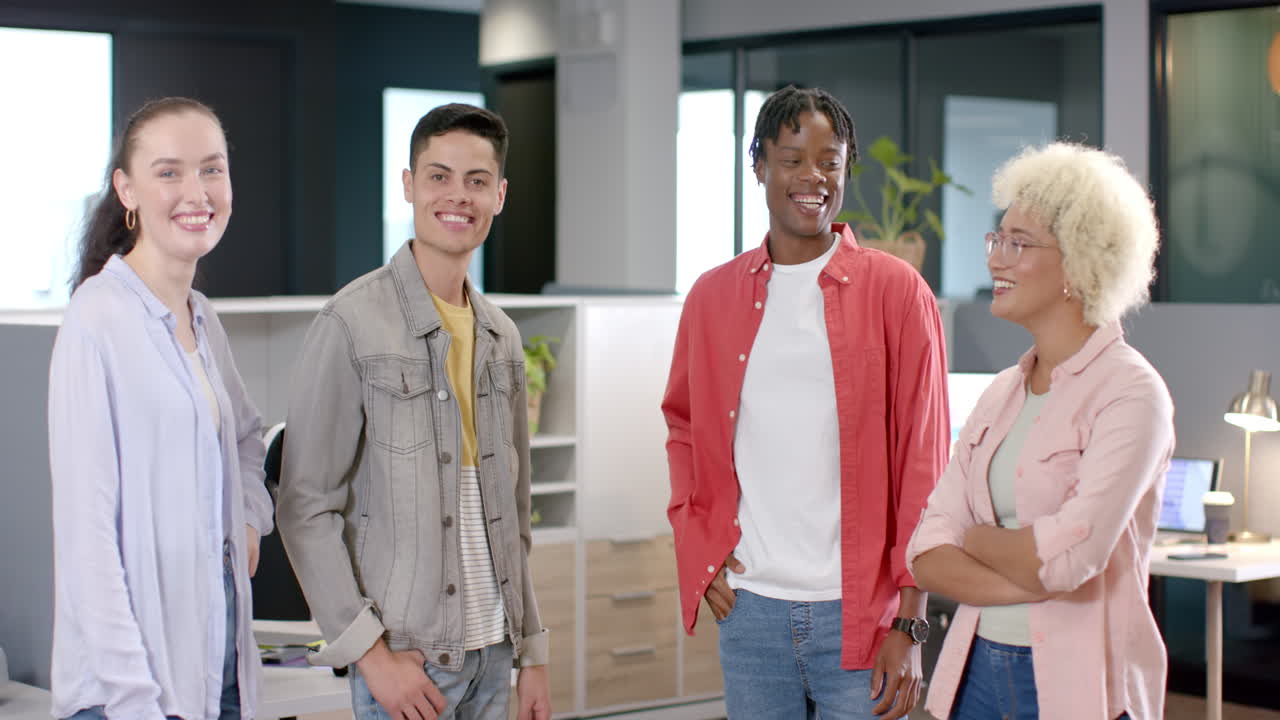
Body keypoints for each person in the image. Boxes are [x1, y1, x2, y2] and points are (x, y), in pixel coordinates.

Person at [662, 85, 950, 720]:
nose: (812, 176)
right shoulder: (712, 297)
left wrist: (912, 621)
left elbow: (924, 464)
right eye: (792, 158)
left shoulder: (898, 293)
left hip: (865, 617)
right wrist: (698, 550)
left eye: (829, 160)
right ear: (758, 164)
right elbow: (682, 429)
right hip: (751, 612)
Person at [277, 104, 551, 720]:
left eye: (477, 181)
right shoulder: (351, 323)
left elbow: (514, 518)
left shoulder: (502, 338)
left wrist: (531, 654)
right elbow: (304, 506)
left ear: (500, 195)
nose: (458, 196)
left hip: (494, 657)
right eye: (439, 176)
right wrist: (371, 658)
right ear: (408, 184)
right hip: (409, 665)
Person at [905, 142, 1172, 720]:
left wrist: (975, 539)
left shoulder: (1132, 394)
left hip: (1080, 687)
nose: (996, 259)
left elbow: (1067, 562)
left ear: (1078, 262)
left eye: (1018, 244)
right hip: (973, 673)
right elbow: (925, 550)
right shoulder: (1002, 392)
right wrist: (1022, 570)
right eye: (996, 240)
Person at [48, 97, 272, 720]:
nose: (196, 191)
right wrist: (133, 700)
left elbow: (249, 440)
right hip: (132, 695)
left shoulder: (202, 317)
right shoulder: (98, 318)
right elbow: (87, 539)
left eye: (212, 169)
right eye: (168, 171)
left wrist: (248, 520)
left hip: (217, 678)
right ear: (128, 189)